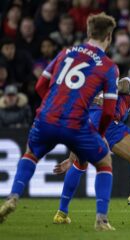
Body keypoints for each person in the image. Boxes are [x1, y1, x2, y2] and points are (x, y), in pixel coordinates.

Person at [0, 13, 119, 231]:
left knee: (31, 153)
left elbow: (39, 86)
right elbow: (109, 111)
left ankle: (13, 197)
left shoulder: (66, 52)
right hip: (76, 124)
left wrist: (52, 105)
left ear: (88, 33)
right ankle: (101, 219)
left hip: (46, 118)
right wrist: (100, 134)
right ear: (109, 37)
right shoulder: (109, 67)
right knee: (104, 163)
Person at [52, 71, 130, 224]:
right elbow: (122, 84)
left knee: (79, 164)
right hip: (105, 119)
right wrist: (108, 94)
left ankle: (61, 214)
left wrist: (70, 158)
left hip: (87, 119)